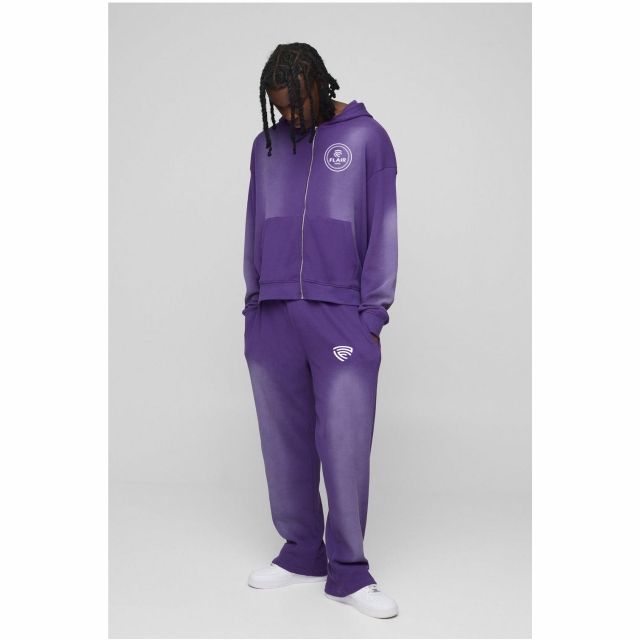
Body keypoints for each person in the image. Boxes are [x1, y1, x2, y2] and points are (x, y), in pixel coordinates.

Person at [242, 42, 399, 619]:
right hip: (273, 313)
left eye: (296, 103)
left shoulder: (367, 139)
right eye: (279, 107)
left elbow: (383, 228)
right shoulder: (266, 146)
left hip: (341, 315)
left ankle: (349, 570)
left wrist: (372, 315)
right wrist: (254, 304)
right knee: (283, 441)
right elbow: (254, 224)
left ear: (317, 84)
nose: (289, 115)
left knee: (344, 442)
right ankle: (301, 551)